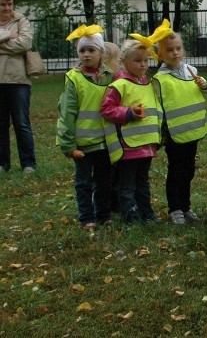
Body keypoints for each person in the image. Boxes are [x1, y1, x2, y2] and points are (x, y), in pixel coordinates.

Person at [150, 22, 207, 225]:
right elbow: (158, 107)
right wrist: (161, 133)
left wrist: (204, 85)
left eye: (178, 48)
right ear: (160, 53)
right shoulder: (160, 78)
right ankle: (175, 208)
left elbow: (205, 92)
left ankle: (186, 207)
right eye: (169, 50)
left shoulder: (191, 71)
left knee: (189, 170)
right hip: (174, 134)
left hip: (191, 132)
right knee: (176, 171)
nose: (175, 53)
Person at [56, 24, 116, 229]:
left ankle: (103, 214)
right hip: (82, 144)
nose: (87, 54)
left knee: (104, 181)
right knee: (83, 183)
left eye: (91, 50)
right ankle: (86, 217)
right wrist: (68, 144)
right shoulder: (74, 79)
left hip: (105, 142)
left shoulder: (110, 77)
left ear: (101, 53)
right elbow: (67, 113)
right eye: (82, 50)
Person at [99, 39, 161, 223]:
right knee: (127, 184)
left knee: (143, 181)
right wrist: (128, 113)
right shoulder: (120, 85)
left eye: (145, 60)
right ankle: (130, 215)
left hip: (146, 143)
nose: (143, 64)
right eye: (137, 60)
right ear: (124, 62)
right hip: (128, 145)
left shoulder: (148, 83)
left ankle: (146, 212)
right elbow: (107, 109)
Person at [0, 0, 36, 173]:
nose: (7, 8)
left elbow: (25, 43)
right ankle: (2, 164)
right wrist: (8, 36)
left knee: (22, 123)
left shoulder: (22, 20)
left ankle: (28, 163)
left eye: (9, 4)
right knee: (0, 125)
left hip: (18, 79)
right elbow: (16, 44)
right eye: (2, 5)